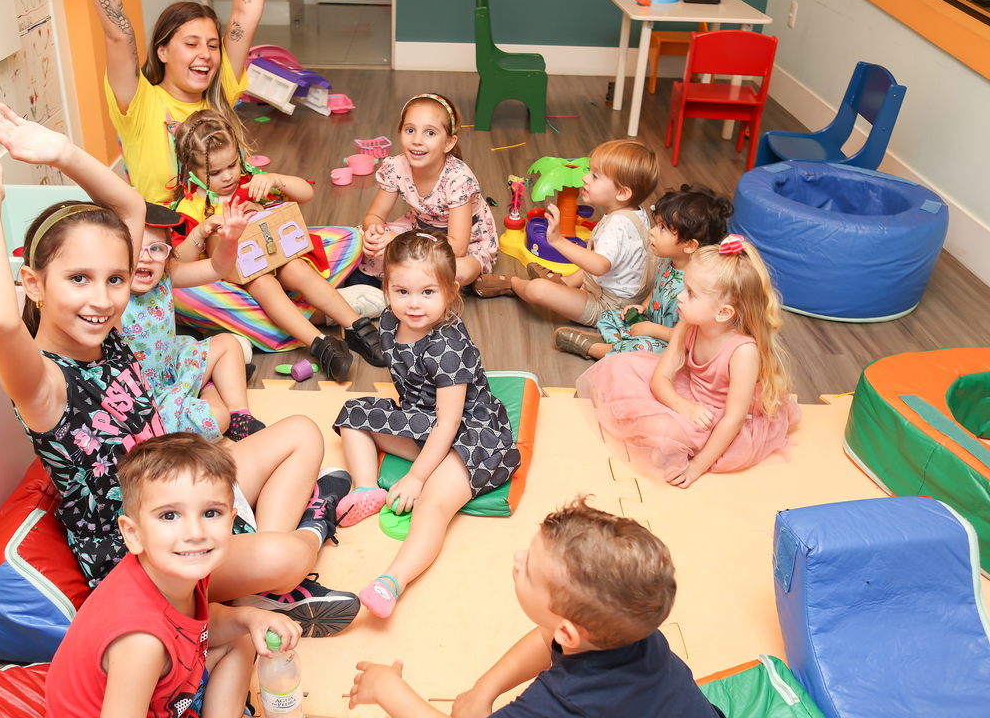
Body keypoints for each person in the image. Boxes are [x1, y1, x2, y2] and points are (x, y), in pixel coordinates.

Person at [0, 103, 360, 634]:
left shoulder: (110, 334)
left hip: (188, 493)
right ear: (34, 285)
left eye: (115, 279)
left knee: (303, 433)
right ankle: (288, 549)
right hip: (149, 556)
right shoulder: (44, 382)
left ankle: (261, 569)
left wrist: (62, 152)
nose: (102, 299)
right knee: (289, 553)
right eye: (77, 279)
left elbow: (128, 203)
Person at [345, 498, 725, 718]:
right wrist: (483, 690)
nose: (517, 557)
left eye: (528, 569)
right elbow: (548, 639)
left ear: (570, 632)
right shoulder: (632, 633)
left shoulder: (561, 703)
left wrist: (388, 689)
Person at [332, 232, 520, 618]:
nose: (413, 304)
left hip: (471, 436)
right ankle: (368, 487)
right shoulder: (387, 320)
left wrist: (417, 477)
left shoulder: (446, 346)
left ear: (451, 292)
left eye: (427, 293)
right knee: (353, 413)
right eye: (401, 291)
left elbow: (450, 423)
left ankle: (391, 581)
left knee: (432, 502)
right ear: (386, 287)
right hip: (424, 422)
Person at [46, 433, 301, 718]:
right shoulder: (141, 642)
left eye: (210, 513)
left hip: (166, 691)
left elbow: (196, 627)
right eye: (169, 516)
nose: (195, 533)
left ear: (231, 521)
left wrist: (251, 618)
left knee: (241, 636)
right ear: (133, 534)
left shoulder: (184, 568)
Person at [51, 0, 284, 203]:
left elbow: (245, 12)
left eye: (213, 45)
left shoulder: (219, 92)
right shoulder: (141, 106)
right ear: (162, 52)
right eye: (191, 44)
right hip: (168, 240)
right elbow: (119, 35)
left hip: (228, 229)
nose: (207, 55)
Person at [174, 110, 386, 381]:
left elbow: (306, 194)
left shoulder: (248, 183)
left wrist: (274, 179)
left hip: (276, 259)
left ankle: (358, 328)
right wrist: (202, 231)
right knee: (260, 282)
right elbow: (180, 261)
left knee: (300, 266)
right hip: (236, 280)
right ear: (191, 171)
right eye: (215, 172)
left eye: (232, 165)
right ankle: (320, 343)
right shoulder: (190, 206)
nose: (228, 177)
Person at [578, 235, 802, 488]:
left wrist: (696, 467)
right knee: (620, 364)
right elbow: (659, 379)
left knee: (663, 430)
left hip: (718, 417)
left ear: (723, 312)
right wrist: (684, 407)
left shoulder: (743, 352)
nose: (680, 298)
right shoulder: (688, 323)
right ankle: (664, 436)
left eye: (691, 294)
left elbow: (733, 419)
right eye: (685, 288)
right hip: (688, 397)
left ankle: (675, 444)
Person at [475, 140, 658, 332]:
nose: (585, 178)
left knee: (538, 290)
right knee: (590, 249)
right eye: (589, 171)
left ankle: (513, 283)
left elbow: (599, 266)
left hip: (609, 308)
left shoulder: (617, 225)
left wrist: (557, 241)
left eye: (595, 176)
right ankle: (565, 282)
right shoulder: (636, 213)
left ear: (622, 193)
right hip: (619, 294)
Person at [123, 198, 266, 442]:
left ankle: (240, 413)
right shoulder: (109, 296)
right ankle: (207, 387)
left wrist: (229, 241)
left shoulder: (164, 278)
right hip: (149, 397)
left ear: (168, 257)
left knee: (229, 344)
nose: (145, 257)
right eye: (136, 249)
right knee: (219, 417)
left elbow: (216, 268)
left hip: (175, 363)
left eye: (156, 248)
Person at [554, 186, 733, 360]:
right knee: (610, 315)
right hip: (651, 323)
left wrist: (651, 330)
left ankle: (594, 348)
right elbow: (657, 288)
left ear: (689, 245)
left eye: (663, 228)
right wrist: (644, 307)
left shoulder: (696, 283)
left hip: (674, 341)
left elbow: (689, 337)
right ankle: (617, 344)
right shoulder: (667, 259)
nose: (653, 232)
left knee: (645, 348)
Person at [358, 93, 497, 287]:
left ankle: (398, 279)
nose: (417, 140)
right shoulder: (396, 167)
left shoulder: (459, 180)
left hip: (462, 243)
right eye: (410, 130)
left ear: (448, 143)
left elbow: (457, 246)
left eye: (430, 133)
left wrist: (398, 241)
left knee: (458, 270)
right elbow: (374, 215)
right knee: (357, 240)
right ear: (399, 133)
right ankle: (408, 279)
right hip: (419, 228)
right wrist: (375, 234)